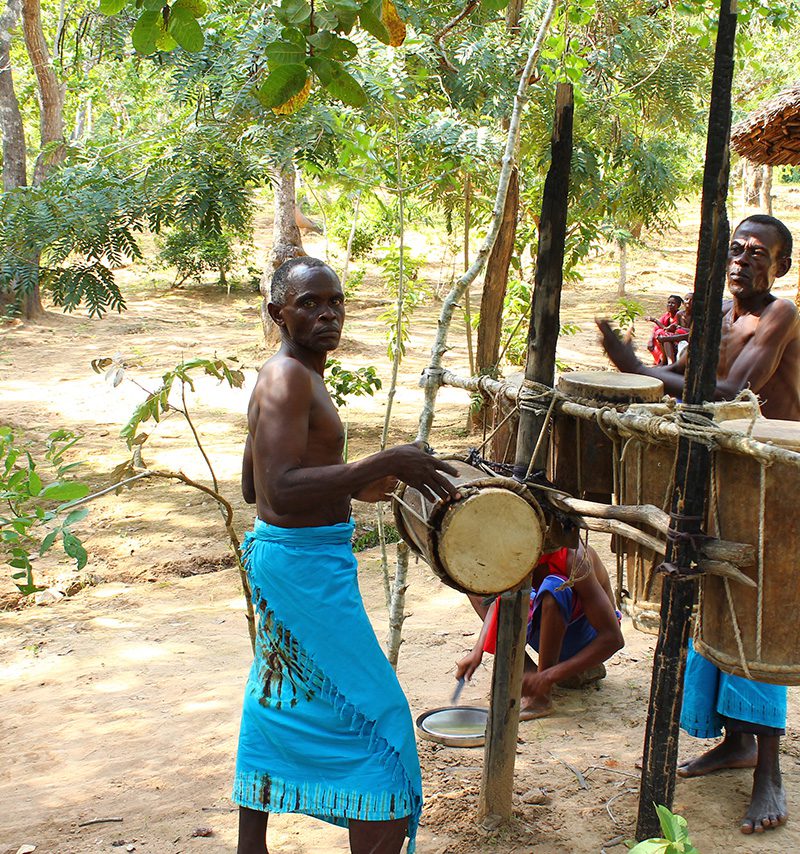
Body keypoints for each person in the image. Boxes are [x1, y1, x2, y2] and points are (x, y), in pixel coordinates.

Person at [235, 256, 460, 854]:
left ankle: (251, 845)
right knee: (380, 717)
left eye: (335, 301)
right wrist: (379, 463)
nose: (327, 313)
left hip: (298, 562)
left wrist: (352, 486)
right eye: (309, 303)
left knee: (279, 694)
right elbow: (277, 488)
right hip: (303, 570)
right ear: (277, 312)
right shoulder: (287, 378)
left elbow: (253, 487)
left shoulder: (287, 375)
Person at [598, 214, 798, 834]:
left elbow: (732, 389)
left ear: (782, 266)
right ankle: (736, 743)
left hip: (776, 479)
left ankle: (770, 773)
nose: (742, 260)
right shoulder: (715, 312)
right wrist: (650, 366)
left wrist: (636, 365)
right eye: (736, 249)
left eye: (758, 253)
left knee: (757, 613)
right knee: (714, 599)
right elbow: (688, 379)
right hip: (727, 471)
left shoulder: (781, 315)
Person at [455, 541, 624, 719]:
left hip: (584, 639)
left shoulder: (574, 559)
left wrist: (547, 677)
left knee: (554, 589)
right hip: (546, 630)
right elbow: (499, 597)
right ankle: (528, 673)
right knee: (475, 586)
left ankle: (541, 697)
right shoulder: (515, 549)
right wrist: (477, 650)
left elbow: (613, 639)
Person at [645, 295, 684, 365]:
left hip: (676, 340)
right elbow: (656, 328)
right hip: (667, 338)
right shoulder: (667, 315)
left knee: (662, 334)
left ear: (678, 306)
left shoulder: (679, 316)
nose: (670, 305)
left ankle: (667, 361)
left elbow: (667, 329)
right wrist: (650, 341)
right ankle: (661, 359)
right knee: (658, 334)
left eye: (673, 303)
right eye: (669, 302)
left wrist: (654, 320)